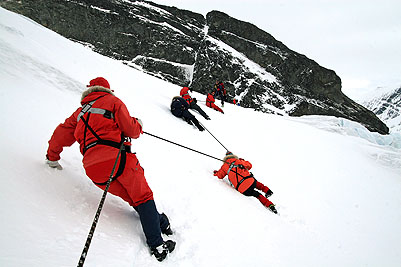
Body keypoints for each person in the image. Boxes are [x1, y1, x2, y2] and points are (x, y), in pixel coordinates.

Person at [45, 77, 175, 261]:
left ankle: (161, 222)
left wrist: (52, 157)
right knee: (142, 197)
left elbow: (60, 136)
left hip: (94, 170)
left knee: (133, 198)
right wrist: (138, 124)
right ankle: (157, 245)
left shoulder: (79, 113)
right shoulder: (113, 102)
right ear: (108, 90)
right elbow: (131, 130)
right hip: (120, 160)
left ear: (89, 91)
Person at [213, 152, 277, 214]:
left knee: (257, 194)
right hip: (250, 180)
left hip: (242, 189)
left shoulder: (224, 166)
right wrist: (242, 160)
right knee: (257, 183)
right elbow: (250, 165)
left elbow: (220, 176)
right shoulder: (238, 161)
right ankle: (268, 192)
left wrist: (216, 172)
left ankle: (270, 206)